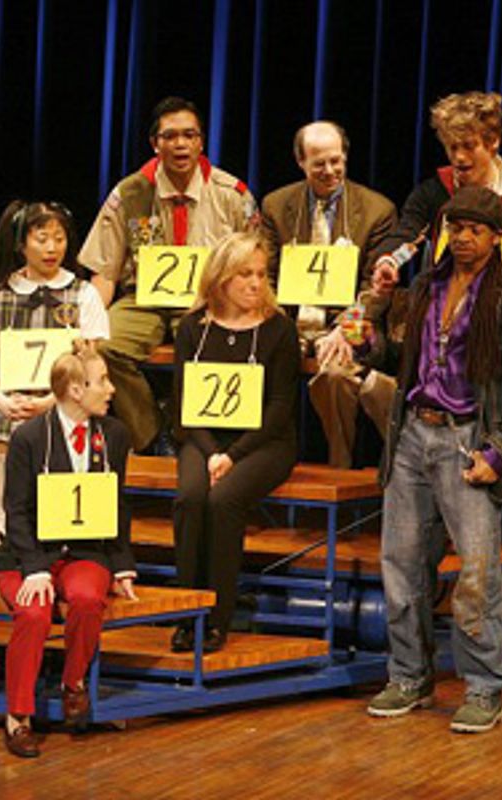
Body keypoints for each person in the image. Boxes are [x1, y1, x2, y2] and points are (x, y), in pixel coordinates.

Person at [365, 187, 502, 733]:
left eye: (475, 230)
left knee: (476, 574)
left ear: (496, 237)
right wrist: (368, 338)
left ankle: (485, 686)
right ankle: (409, 675)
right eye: (455, 228)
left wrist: (499, 453)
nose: (463, 239)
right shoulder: (426, 285)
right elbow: (407, 360)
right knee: (400, 564)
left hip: (469, 442)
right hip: (415, 434)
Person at [80, 96, 258, 454]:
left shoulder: (231, 194)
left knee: (210, 341)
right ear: (155, 143)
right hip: (143, 299)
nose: (180, 144)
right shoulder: (129, 193)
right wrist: (88, 323)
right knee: (104, 344)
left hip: (206, 299)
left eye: (189, 135)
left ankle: (193, 436)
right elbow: (105, 272)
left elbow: (252, 264)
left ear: (201, 142)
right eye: (170, 136)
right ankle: (150, 433)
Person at [0, 341, 137, 758]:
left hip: (85, 551)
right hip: (28, 552)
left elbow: (117, 502)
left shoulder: (114, 435)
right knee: (34, 611)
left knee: (90, 598)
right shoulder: (29, 437)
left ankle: (72, 684)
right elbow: (14, 510)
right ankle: (18, 716)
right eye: (103, 381)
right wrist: (35, 567)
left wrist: (123, 564)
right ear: (76, 390)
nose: (110, 389)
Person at [171, 231, 299, 652]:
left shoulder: (278, 329)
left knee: (223, 500)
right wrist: (212, 453)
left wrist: (234, 455)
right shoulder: (193, 328)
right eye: (245, 274)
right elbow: (184, 405)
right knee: (190, 497)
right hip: (203, 438)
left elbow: (281, 406)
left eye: (261, 275)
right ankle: (185, 613)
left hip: (263, 443)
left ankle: (216, 619)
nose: (255, 283)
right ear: (222, 278)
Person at [0, 200, 109, 548]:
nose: (51, 248)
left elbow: (91, 363)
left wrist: (51, 400)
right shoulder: (0, 295)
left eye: (59, 239)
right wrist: (0, 399)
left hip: (65, 400)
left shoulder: (83, 293)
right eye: (42, 238)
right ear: (21, 244)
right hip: (12, 396)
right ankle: (0, 519)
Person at [259, 121, 398, 467]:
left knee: (335, 375)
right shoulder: (277, 205)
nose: (329, 171)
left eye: (336, 161)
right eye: (319, 163)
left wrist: (344, 327)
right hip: (289, 321)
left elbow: (375, 289)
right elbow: (266, 277)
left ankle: (341, 466)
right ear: (300, 161)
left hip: (348, 323)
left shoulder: (377, 210)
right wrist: (277, 324)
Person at [370, 91, 502, 312]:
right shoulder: (434, 193)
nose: (459, 157)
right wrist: (389, 261)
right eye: (452, 147)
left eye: (469, 146)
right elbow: (409, 234)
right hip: (437, 320)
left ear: (493, 142)